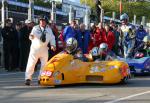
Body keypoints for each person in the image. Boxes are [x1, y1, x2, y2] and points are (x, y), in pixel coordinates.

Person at [25, 15, 56, 85]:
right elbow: (31, 35)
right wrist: (31, 36)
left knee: (44, 65)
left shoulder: (49, 29)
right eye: (40, 20)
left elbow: (52, 38)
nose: (42, 22)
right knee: (31, 63)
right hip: (35, 49)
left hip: (44, 49)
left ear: (46, 22)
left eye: (43, 20)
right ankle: (28, 78)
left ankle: (41, 78)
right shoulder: (35, 28)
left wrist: (53, 45)